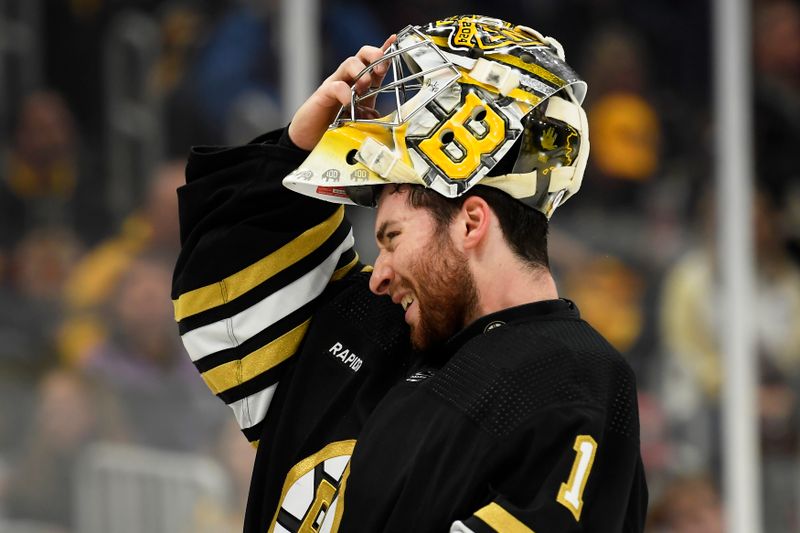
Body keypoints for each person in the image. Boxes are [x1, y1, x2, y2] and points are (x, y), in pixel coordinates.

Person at [172, 14, 648, 532]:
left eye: (392, 237)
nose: (379, 274)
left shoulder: (571, 377)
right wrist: (293, 150)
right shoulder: (365, 326)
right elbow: (220, 303)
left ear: (470, 222)